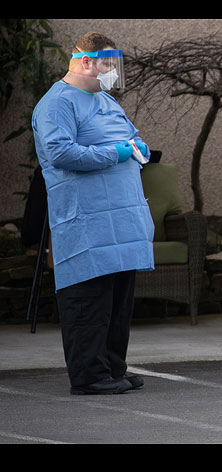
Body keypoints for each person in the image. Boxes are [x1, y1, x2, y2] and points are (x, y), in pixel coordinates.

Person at [31, 32, 154, 395]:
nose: (110, 73)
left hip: (124, 222)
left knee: (117, 303)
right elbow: (60, 153)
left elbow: (131, 136)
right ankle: (89, 375)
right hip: (89, 224)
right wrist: (116, 153)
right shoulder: (57, 104)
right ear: (85, 61)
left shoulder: (105, 100)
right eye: (105, 64)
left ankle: (112, 367)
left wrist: (137, 146)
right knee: (90, 302)